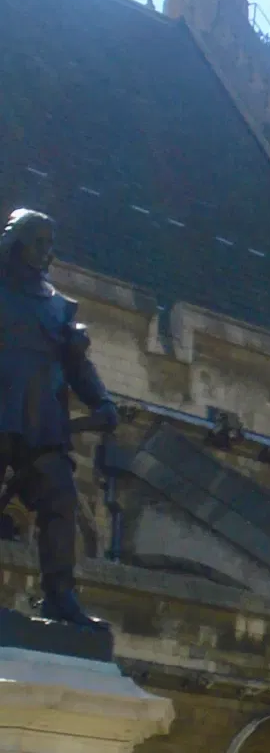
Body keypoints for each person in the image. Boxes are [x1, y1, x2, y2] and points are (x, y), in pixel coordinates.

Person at [0, 208, 117, 626]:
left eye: (51, 244)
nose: (47, 253)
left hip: (41, 421)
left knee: (60, 500)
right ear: (16, 241)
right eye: (39, 242)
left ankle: (60, 596)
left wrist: (100, 399)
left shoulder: (56, 308)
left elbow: (76, 364)